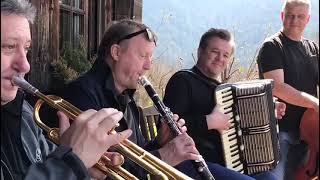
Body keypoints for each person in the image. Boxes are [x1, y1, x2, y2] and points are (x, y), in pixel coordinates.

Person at [61, 19, 255, 179]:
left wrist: (160, 143)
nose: (148, 66)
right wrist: (165, 155)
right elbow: (108, 171)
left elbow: (139, 153)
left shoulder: (127, 100)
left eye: (150, 58)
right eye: (143, 56)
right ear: (116, 53)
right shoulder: (83, 95)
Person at [1, 0, 132, 179]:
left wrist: (78, 165)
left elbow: (44, 166)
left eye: (26, 49)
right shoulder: (83, 90)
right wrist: (72, 164)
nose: (25, 65)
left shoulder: (23, 112)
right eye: (9, 47)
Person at [163, 28, 286, 180]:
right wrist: (210, 121)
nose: (220, 58)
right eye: (215, 51)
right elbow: (167, 127)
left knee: (271, 178)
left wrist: (267, 111)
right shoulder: (183, 80)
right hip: (190, 161)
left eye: (225, 55)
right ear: (200, 51)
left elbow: (241, 123)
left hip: (226, 163)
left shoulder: (224, 91)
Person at [256, 0, 319, 179]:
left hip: (309, 135)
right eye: (290, 16)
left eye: (300, 16)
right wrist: (315, 103)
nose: (294, 20)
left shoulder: (312, 48)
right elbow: (278, 87)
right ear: (282, 16)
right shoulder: (272, 46)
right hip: (280, 133)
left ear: (308, 19)